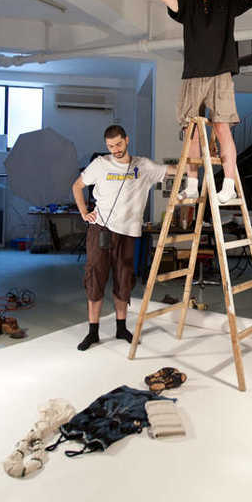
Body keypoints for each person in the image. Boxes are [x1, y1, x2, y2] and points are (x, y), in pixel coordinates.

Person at [133, 0, 252, 203]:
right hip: (192, 75)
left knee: (222, 128)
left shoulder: (227, 2)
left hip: (220, 74)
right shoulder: (187, 4)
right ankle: (192, 184)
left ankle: (227, 185)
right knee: (191, 131)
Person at [71, 125, 174, 351]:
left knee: (124, 279)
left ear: (126, 140)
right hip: (101, 230)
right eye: (110, 146)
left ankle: (121, 328)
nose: (115, 149)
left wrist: (193, 165)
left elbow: (172, 171)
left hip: (128, 232)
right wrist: (83, 213)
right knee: (95, 278)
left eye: (118, 144)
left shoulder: (143, 166)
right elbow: (77, 186)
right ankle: (93, 332)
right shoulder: (100, 164)